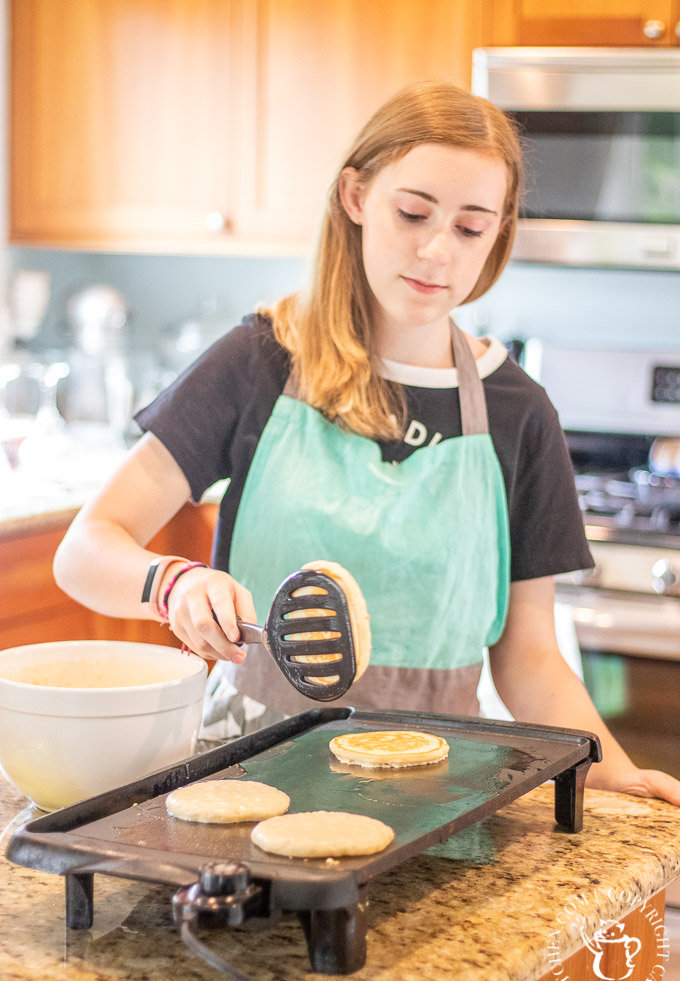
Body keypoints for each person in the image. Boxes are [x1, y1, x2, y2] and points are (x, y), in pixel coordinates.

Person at [54, 80, 680, 805]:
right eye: (413, 213)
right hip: (247, 777)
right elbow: (86, 549)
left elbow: (530, 656)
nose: (438, 251)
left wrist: (609, 773)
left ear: (500, 233)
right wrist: (174, 584)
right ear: (355, 197)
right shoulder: (261, 362)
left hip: (438, 794)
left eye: (472, 228)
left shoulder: (518, 412)